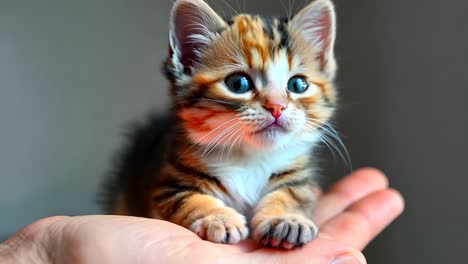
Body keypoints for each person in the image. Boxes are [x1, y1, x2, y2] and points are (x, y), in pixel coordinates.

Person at [0, 168, 403, 264]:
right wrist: (43, 251)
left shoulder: (293, 171)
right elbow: (171, 193)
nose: (277, 107)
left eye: (297, 85)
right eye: (240, 83)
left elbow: (295, 195)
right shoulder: (186, 165)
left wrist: (285, 213)